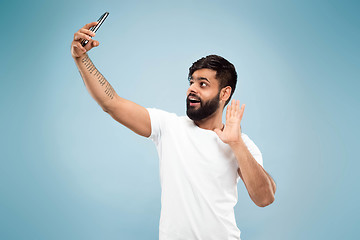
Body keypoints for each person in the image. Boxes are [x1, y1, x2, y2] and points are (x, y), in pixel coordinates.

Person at [71, 21, 276, 240]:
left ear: (224, 93)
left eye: (203, 84)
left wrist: (236, 144)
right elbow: (112, 104)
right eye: (191, 82)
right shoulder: (168, 126)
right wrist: (81, 58)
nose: (192, 89)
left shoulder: (241, 144)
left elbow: (264, 198)